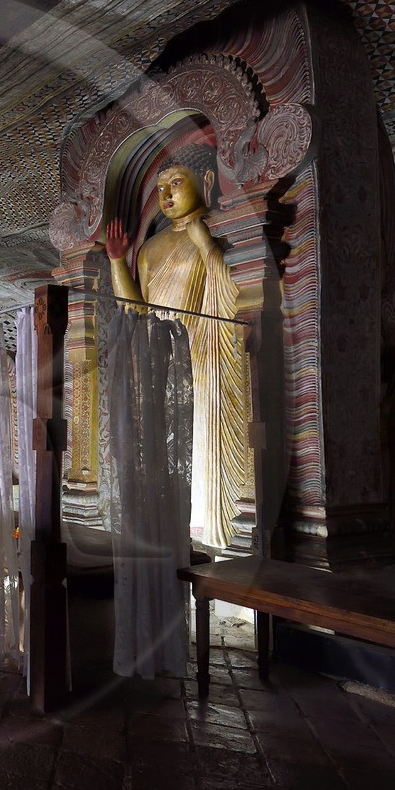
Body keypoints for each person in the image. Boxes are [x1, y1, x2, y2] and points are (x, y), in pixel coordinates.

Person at [101, 143, 248, 550]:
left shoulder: (221, 230)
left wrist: (206, 245)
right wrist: (116, 262)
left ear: (206, 181)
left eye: (176, 183)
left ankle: (213, 527)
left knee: (204, 437)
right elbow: (136, 311)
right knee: (162, 441)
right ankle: (169, 525)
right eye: (161, 187)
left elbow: (238, 294)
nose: (165, 194)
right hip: (162, 361)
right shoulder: (150, 249)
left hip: (206, 352)